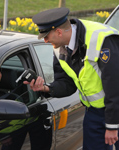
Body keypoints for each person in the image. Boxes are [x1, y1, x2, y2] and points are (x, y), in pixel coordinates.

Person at [23, 7, 119, 150]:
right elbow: (67, 84)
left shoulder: (100, 39)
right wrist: (46, 88)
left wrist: (112, 125)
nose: (45, 41)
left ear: (59, 32)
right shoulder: (59, 46)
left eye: (46, 36)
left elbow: (115, 85)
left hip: (114, 111)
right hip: (93, 112)